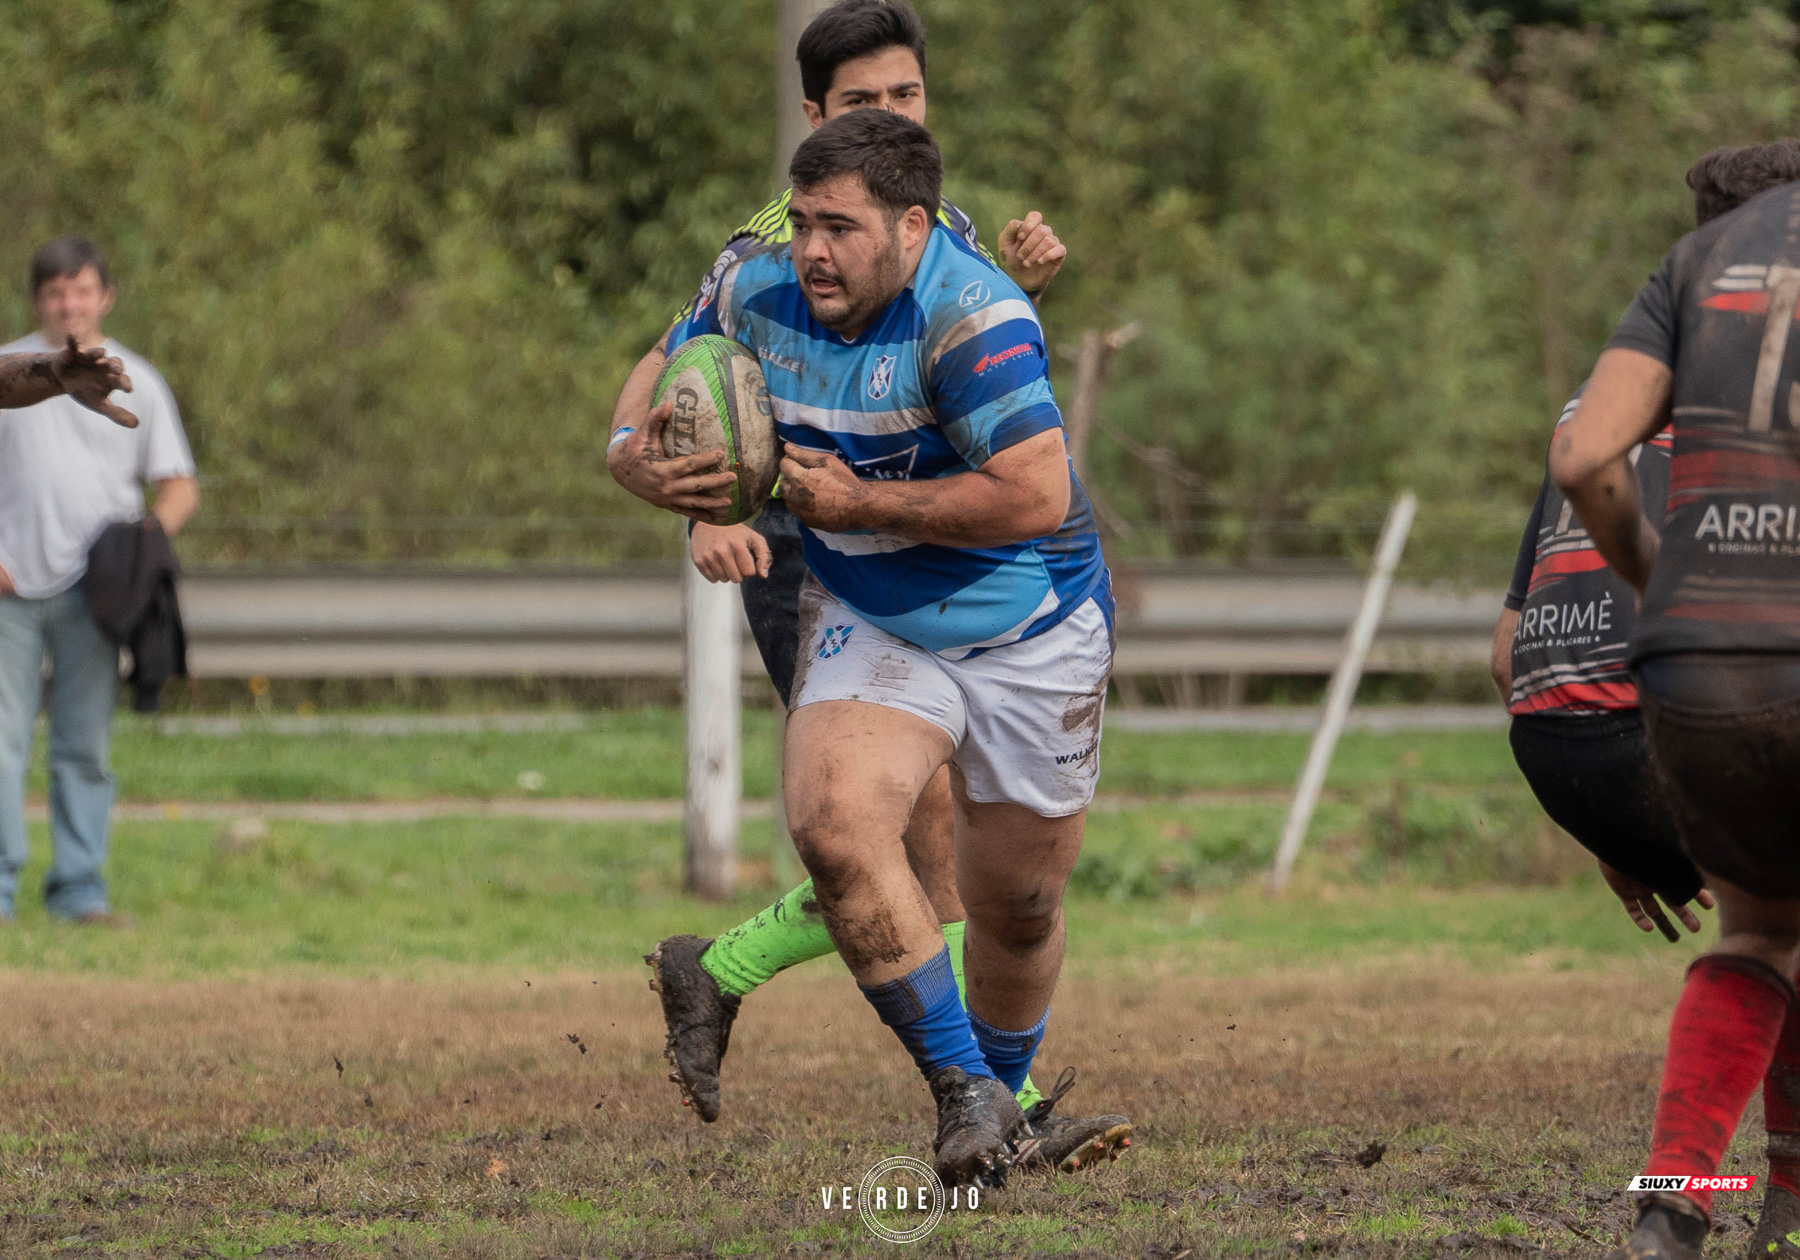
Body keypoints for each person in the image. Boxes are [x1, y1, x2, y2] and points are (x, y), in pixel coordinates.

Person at [614, 0, 1127, 1174]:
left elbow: (1034, 494)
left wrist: (859, 502)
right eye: (803, 221)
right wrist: (665, 480)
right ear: (813, 122)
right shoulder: (757, 276)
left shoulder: (978, 303)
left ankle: (998, 1098)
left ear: (907, 219)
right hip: (857, 595)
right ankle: (969, 1097)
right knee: (844, 831)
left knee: (1014, 904)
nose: (811, 248)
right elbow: (658, 399)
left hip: (1026, 608)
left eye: (905, 96)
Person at [1550, 140, 1800, 1260]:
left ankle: (1675, 1204)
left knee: (1758, 931)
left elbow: (1588, 458)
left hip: (1696, 660)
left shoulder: (1696, 266)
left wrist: (1663, 578)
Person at [0, 236, 198, 925]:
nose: (69, 303)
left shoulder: (135, 374)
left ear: (105, 296)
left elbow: (176, 486)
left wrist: (143, 551)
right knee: (1, 744)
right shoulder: (8, 368)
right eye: (56, 291)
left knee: (83, 745)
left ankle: (79, 889)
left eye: (81, 289)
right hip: (10, 586)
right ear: (38, 300)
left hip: (97, 594)